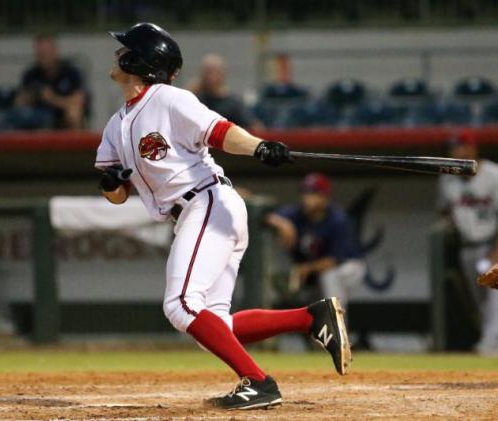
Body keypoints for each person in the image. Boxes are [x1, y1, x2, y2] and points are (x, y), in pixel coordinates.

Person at [95, 22, 351, 410]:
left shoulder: (168, 99)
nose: (116, 55)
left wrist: (260, 147)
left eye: (124, 50)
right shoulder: (116, 124)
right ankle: (310, 319)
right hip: (196, 216)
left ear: (139, 61)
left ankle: (259, 382)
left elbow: (220, 132)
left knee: (180, 305)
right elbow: (116, 195)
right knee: (214, 327)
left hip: (208, 204)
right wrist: (110, 182)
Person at [266, 173, 366, 310]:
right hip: (314, 269)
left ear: (325, 197)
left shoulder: (338, 220)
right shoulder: (296, 213)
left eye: (314, 194)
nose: (307, 198)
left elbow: (334, 260)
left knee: (330, 276)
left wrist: (306, 268)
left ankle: (336, 327)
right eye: (305, 193)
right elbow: (267, 215)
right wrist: (283, 224)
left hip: (349, 267)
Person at [437, 130, 498, 354]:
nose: (456, 152)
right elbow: (443, 210)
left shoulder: (493, 174)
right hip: (467, 247)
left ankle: (490, 344)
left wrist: (496, 250)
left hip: (491, 244)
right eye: (454, 148)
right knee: (479, 299)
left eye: (461, 147)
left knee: (495, 296)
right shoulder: (447, 178)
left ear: (473, 149)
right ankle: (491, 341)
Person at [15, 34, 88, 129]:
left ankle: (78, 143)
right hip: (37, 114)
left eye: (46, 53)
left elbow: (78, 100)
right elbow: (18, 102)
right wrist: (28, 98)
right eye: (40, 54)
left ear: (54, 51)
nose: (43, 57)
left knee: (74, 113)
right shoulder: (31, 74)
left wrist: (52, 99)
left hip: (61, 114)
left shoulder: (70, 72)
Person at [187, 53, 257, 128]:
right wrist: (189, 92)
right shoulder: (197, 99)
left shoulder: (234, 102)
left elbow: (253, 127)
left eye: (214, 71)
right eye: (207, 71)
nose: (210, 77)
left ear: (223, 73)